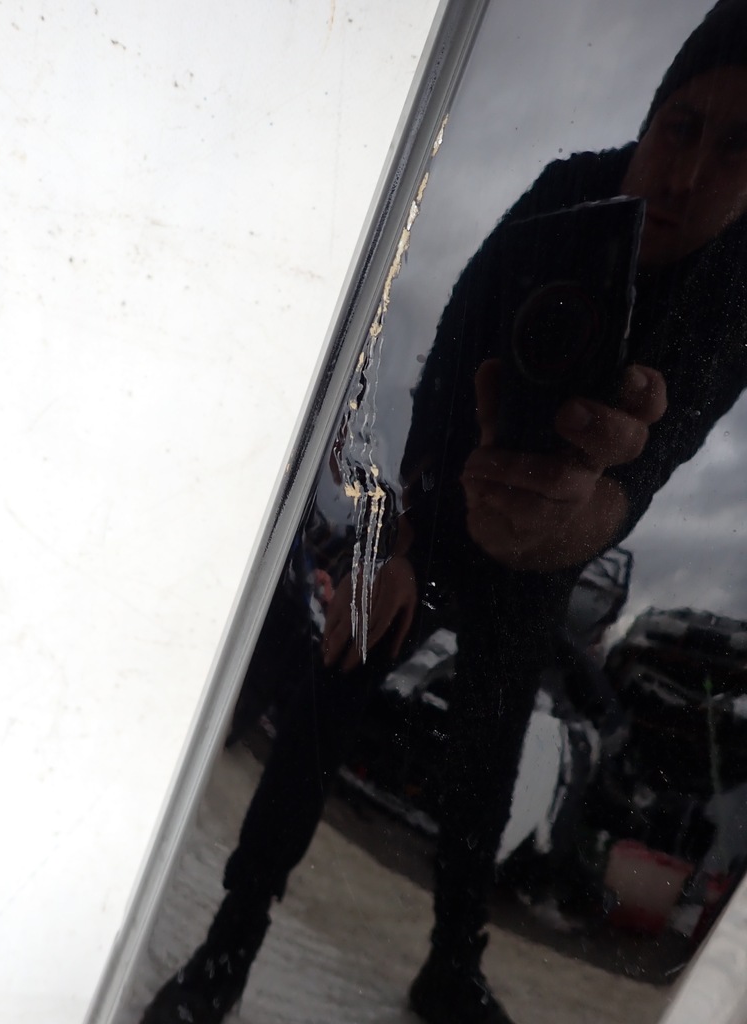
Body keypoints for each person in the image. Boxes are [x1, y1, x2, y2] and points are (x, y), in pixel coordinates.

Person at [139, 3, 747, 1022]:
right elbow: (451, 349)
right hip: (440, 505)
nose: (688, 173)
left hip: (551, 550)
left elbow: (664, 453)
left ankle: (451, 966)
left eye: (737, 149)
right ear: (650, 114)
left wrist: (589, 508)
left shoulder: (734, 286)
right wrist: (401, 540)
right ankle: (227, 944)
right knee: (336, 680)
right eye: (681, 125)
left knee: (489, 754)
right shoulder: (565, 194)